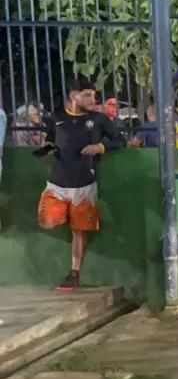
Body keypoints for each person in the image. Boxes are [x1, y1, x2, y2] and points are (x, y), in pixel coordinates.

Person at [36, 78, 126, 291]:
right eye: (87, 95)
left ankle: (74, 273)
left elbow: (120, 140)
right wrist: (46, 147)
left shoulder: (99, 119)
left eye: (93, 95)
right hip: (57, 184)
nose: (93, 99)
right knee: (47, 222)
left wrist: (100, 147)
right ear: (74, 96)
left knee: (79, 230)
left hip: (85, 186)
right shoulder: (56, 118)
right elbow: (49, 140)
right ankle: (63, 213)